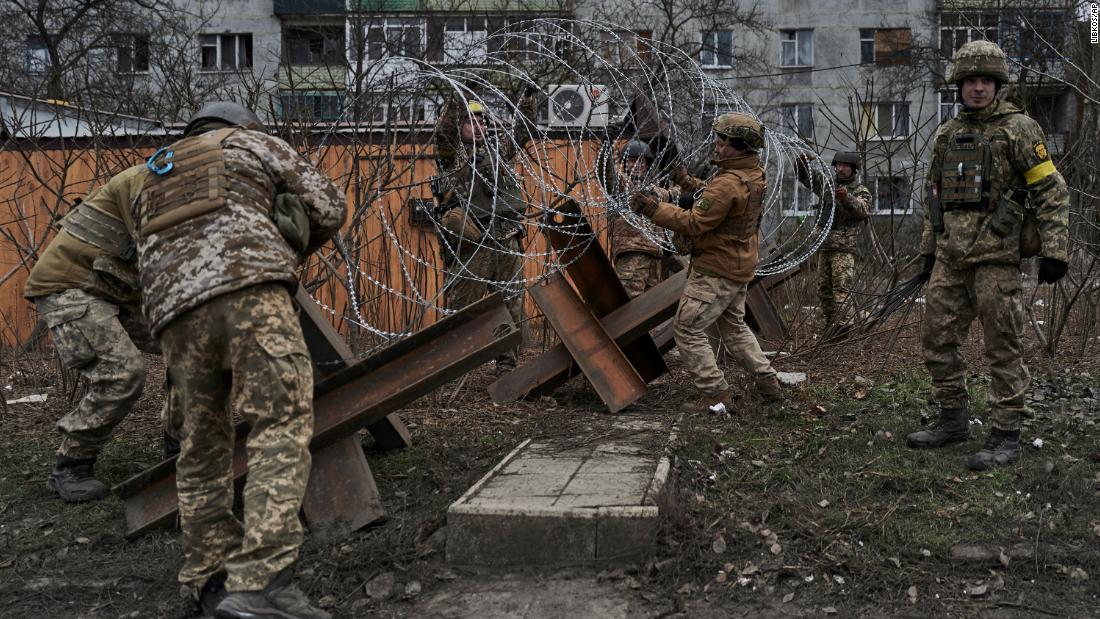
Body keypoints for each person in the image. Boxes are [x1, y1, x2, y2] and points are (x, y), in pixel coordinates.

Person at [134, 101, 346, 617]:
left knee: (201, 446)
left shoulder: (153, 174)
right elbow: (328, 205)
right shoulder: (250, 142)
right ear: (241, 125)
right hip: (249, 289)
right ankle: (262, 582)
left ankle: (209, 585)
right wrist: (289, 241)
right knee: (278, 421)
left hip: (174, 315)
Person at [906, 40, 1069, 470]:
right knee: (936, 341)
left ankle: (1005, 435)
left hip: (997, 259)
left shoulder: (1020, 129)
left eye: (986, 81)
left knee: (1003, 348)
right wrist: (928, 252)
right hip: (950, 258)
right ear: (959, 85)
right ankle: (953, 420)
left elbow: (1051, 191)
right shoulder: (946, 133)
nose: (978, 88)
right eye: (970, 81)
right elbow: (933, 198)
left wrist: (1055, 249)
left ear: (998, 85)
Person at [23, 164, 168, 502]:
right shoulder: (151, 179)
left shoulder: (193, 182)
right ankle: (71, 465)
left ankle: (179, 445)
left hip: (111, 287)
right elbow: (161, 251)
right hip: (70, 285)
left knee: (193, 345)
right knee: (122, 373)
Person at [629, 113, 782, 412]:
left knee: (687, 329)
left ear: (738, 147)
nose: (716, 145)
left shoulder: (727, 184)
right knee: (735, 328)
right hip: (737, 266)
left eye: (722, 142)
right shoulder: (752, 174)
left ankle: (715, 394)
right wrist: (687, 182)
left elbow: (695, 222)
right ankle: (768, 382)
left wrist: (653, 209)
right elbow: (714, 198)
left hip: (715, 270)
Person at [434, 98, 531, 374]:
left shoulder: (498, 150)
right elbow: (444, 133)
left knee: (511, 301)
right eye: (470, 121)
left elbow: (523, 130)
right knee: (465, 308)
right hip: (474, 241)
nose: (478, 126)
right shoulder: (451, 155)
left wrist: (527, 100)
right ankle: (452, 366)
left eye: (481, 121)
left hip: (506, 234)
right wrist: (456, 101)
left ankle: (507, 367)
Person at [796, 151, 872, 326]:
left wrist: (846, 198)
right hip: (824, 245)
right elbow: (808, 178)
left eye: (845, 166)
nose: (841, 169)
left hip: (843, 248)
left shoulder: (860, 190)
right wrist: (801, 163)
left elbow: (863, 211)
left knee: (841, 289)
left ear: (854, 169)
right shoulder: (828, 185)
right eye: (838, 165)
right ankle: (831, 325)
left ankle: (844, 328)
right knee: (824, 290)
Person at [611, 140, 668, 298]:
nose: (637, 165)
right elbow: (610, 173)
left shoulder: (654, 189)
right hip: (633, 253)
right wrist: (608, 146)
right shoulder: (621, 185)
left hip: (655, 256)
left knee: (650, 308)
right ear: (624, 164)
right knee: (630, 302)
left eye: (641, 161)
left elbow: (673, 195)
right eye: (632, 160)